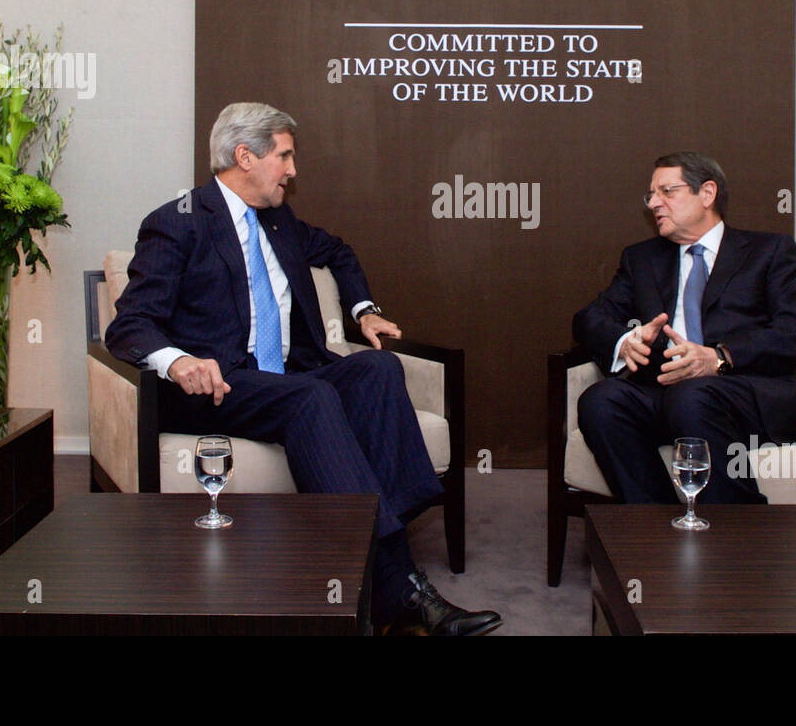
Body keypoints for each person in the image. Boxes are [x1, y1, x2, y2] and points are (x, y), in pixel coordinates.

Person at [106, 102, 500, 636]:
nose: (293, 170)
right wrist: (178, 363)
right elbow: (129, 324)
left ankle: (379, 566)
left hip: (287, 373)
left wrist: (364, 310)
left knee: (378, 370)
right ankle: (403, 589)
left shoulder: (279, 220)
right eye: (285, 156)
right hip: (220, 383)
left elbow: (338, 252)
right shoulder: (176, 224)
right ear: (245, 156)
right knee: (310, 400)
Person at [572, 152, 796, 505]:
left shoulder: (768, 251)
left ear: (707, 193)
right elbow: (589, 318)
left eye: (667, 191)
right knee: (600, 400)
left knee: (692, 395)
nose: (654, 203)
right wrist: (624, 341)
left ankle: (738, 534)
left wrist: (718, 358)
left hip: (743, 392)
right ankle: (655, 529)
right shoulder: (642, 259)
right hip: (662, 392)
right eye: (651, 195)